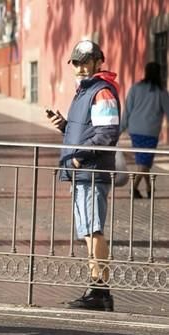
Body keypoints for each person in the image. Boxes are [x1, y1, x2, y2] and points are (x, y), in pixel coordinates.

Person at [46, 40, 120, 312]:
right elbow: (90, 131)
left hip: (90, 171)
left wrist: (80, 156)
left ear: (98, 61)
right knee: (87, 231)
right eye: (75, 62)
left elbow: (107, 133)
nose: (79, 67)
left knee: (94, 229)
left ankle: (100, 290)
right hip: (82, 171)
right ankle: (95, 288)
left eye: (84, 61)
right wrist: (64, 126)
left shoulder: (102, 92)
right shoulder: (85, 91)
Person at [120, 62, 169, 199]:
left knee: (143, 161)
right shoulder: (161, 92)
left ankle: (149, 188)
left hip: (135, 130)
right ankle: (133, 187)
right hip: (150, 131)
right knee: (144, 161)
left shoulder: (136, 88)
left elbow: (127, 109)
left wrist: (121, 127)